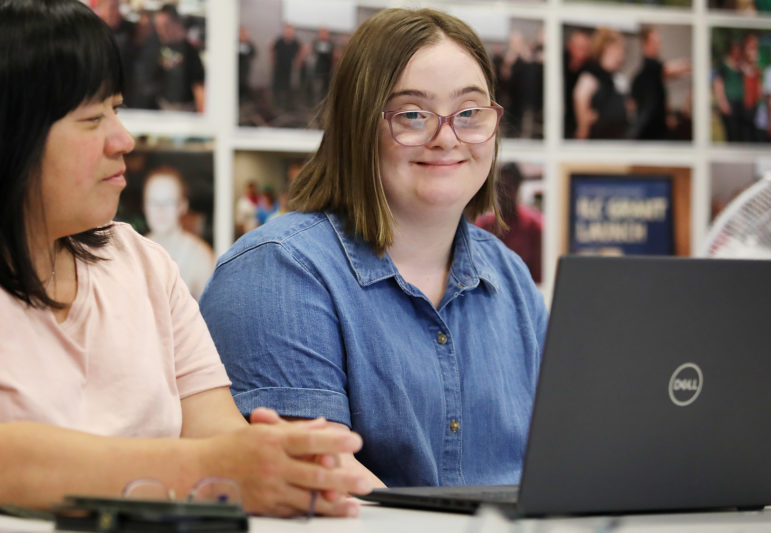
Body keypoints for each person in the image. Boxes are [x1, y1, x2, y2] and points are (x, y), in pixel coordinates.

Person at [0, 0, 370, 516]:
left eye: (118, 109)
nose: (122, 140)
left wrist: (291, 465)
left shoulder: (142, 264)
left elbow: (216, 431)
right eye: (91, 119)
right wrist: (211, 469)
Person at [200, 8, 548, 488]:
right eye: (411, 114)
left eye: (469, 113)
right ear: (358, 126)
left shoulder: (512, 279)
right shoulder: (277, 271)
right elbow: (319, 483)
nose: (447, 137)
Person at [142, 166, 216, 300]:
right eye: (153, 202)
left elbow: (212, 316)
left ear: (182, 205)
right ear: (144, 206)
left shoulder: (201, 257)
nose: (160, 209)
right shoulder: (134, 253)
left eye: (168, 202)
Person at [474, 163, 543, 283]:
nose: (503, 194)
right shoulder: (482, 226)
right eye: (499, 187)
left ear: (517, 187)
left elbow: (540, 275)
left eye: (508, 187)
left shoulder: (534, 225)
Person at [630, 26, 691, 140]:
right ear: (645, 44)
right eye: (655, 42)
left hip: (657, 128)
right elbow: (672, 69)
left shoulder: (655, 72)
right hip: (650, 131)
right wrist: (692, 65)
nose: (658, 46)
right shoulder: (650, 69)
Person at [573, 28, 629, 140]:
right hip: (597, 142)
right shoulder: (590, 76)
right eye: (619, 49)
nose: (622, 54)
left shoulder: (617, 77)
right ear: (607, 48)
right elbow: (580, 99)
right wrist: (584, 124)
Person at [152, 4, 205, 112]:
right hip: (162, 108)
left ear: (176, 24)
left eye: (165, 26)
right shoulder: (156, 46)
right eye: (158, 26)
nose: (161, 31)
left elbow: (199, 85)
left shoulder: (189, 51)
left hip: (185, 110)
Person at [563, 29, 590, 139]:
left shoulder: (589, 70)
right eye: (579, 48)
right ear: (571, 47)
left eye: (585, 49)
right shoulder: (561, 66)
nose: (582, 53)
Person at [271, 24, 301, 111]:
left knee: (288, 86)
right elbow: (272, 49)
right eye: (287, 31)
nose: (288, 33)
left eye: (290, 31)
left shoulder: (295, 42)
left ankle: (287, 105)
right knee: (277, 84)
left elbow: (301, 50)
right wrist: (273, 61)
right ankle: (276, 103)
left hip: (289, 68)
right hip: (279, 66)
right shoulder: (279, 41)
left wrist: (298, 61)